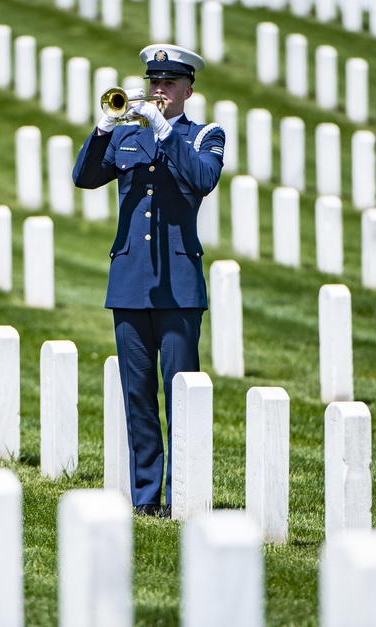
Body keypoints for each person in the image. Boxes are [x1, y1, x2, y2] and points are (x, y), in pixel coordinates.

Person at [72, 44, 225, 517]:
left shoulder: (204, 136)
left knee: (180, 391)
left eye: (169, 83)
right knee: (138, 396)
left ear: (187, 90)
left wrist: (165, 133)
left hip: (178, 284)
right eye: (154, 81)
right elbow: (84, 177)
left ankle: (182, 495)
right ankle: (145, 497)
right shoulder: (126, 137)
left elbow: (201, 179)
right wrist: (104, 127)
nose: (159, 89)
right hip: (130, 281)